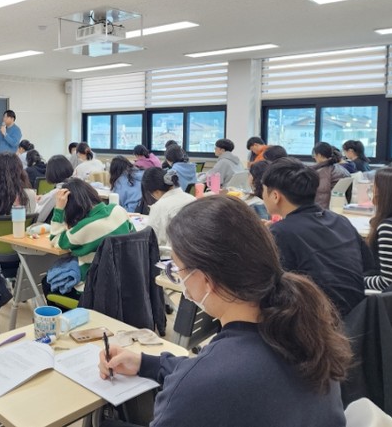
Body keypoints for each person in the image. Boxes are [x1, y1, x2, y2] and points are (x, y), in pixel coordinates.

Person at [99, 195, 351, 427]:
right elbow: (215, 374)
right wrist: (147, 364)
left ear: (205, 279)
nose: (180, 281)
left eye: (177, 270)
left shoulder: (203, 384)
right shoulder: (309, 334)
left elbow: (207, 380)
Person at [262, 157, 365, 317]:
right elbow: (368, 267)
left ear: (275, 196)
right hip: (359, 317)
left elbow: (271, 289)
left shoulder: (281, 232)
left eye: (263, 190)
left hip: (318, 323)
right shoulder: (340, 220)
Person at [46, 178, 134, 298]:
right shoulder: (118, 210)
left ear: (71, 207)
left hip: (95, 289)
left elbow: (55, 239)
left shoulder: (83, 228)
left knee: (47, 284)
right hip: (127, 281)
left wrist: (59, 209)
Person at [142, 167, 195, 246]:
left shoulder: (159, 206)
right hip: (195, 249)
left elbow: (151, 239)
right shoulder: (192, 199)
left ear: (156, 192)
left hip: (172, 251)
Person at [364, 168, 392, 291]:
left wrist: (354, 281)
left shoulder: (388, 228)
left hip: (381, 297)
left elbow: (387, 283)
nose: (372, 192)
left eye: (374, 188)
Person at [35, 155, 74, 223]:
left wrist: (35, 203)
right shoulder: (77, 186)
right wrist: (44, 197)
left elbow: (39, 218)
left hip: (56, 226)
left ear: (50, 172)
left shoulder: (57, 193)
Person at [312, 142, 350, 210]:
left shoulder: (323, 172)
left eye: (314, 154)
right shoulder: (340, 169)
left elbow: (322, 193)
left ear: (319, 155)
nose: (314, 157)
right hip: (339, 206)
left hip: (323, 209)